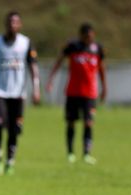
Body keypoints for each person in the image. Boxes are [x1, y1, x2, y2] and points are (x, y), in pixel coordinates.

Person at [0, 11, 40, 175]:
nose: (12, 25)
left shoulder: (25, 43)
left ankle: (10, 161)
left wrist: (36, 88)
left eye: (16, 22)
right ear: (5, 24)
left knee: (15, 129)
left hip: (18, 93)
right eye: (10, 22)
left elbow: (33, 67)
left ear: (20, 25)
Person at [46, 23, 106, 165]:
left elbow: (102, 69)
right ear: (81, 35)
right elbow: (59, 61)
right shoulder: (72, 46)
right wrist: (51, 79)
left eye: (91, 36)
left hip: (90, 93)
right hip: (73, 92)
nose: (89, 38)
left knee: (88, 122)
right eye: (86, 36)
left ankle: (86, 154)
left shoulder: (97, 49)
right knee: (71, 122)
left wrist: (105, 87)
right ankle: (70, 153)